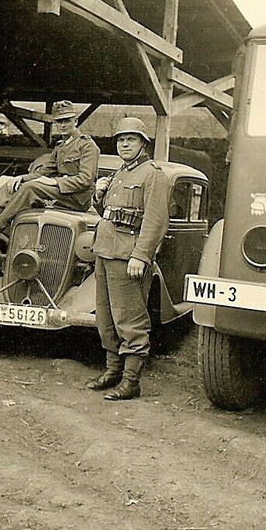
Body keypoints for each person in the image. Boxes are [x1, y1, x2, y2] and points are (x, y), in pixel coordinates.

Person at [86, 118, 170, 401]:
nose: (124, 144)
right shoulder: (120, 173)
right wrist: (98, 195)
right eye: (121, 140)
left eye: (131, 139)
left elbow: (155, 220)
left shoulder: (152, 174)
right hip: (105, 251)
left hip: (127, 256)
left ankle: (131, 381)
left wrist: (141, 256)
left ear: (143, 144)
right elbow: (109, 214)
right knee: (106, 316)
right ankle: (113, 371)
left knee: (129, 319)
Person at [0, 100, 100, 237]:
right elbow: (44, 171)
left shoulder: (87, 145)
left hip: (77, 198)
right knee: (11, 186)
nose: (63, 125)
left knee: (30, 188)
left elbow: (86, 180)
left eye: (67, 120)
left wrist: (55, 182)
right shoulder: (61, 146)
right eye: (59, 121)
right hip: (62, 194)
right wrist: (21, 178)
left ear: (75, 121)